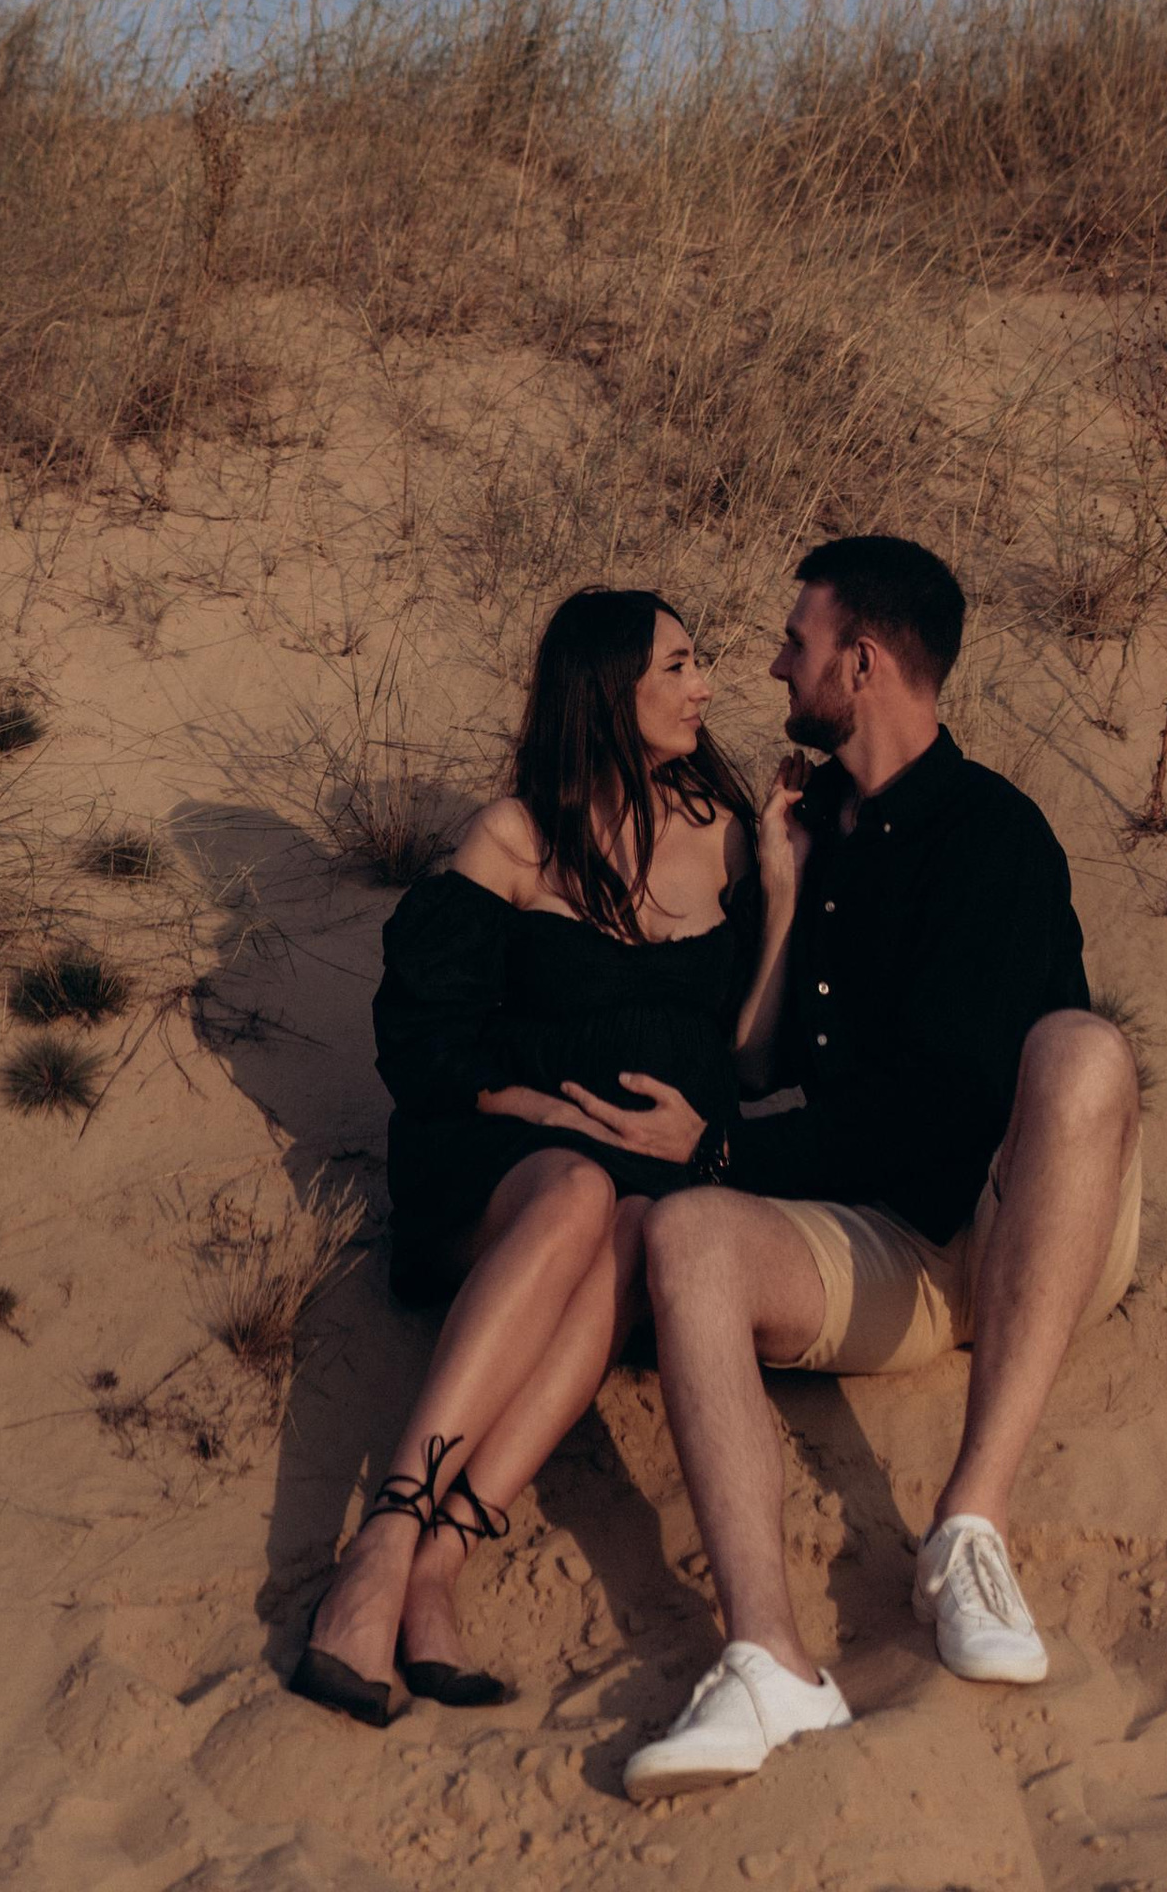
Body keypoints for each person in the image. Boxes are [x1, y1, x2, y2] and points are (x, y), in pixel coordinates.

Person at [622, 536, 1142, 1804]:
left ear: (858, 664)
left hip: (1027, 1213)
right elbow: (752, 1071)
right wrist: (787, 897)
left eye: (793, 643)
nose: (769, 664)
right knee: (686, 1237)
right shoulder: (808, 836)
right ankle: (769, 1662)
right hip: (895, 1247)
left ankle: (968, 1526)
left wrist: (727, 1148)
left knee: (1079, 1052)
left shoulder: (992, 834)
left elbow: (946, 1105)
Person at [292, 588, 797, 1729]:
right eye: (677, 665)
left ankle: (439, 1567)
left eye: (699, 661)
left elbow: (750, 1058)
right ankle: (384, 1538)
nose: (704, 686)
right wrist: (537, 1106)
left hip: (647, 1176)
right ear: (606, 689)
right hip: (494, 1161)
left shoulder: (722, 832)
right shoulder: (516, 835)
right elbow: (421, 1039)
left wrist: (784, 874)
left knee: (623, 1221)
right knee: (577, 1186)